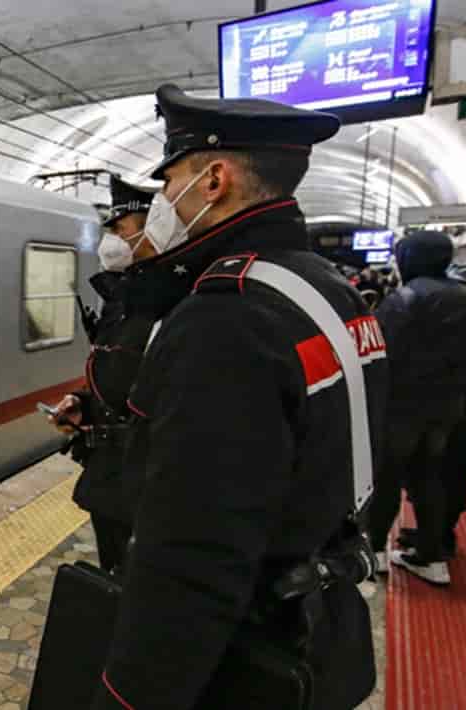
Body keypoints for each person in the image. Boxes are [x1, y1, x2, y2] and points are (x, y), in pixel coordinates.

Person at [91, 85, 385, 710]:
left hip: (243, 644)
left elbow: (192, 556)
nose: (164, 200)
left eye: (170, 182)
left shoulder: (226, 318)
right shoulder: (327, 288)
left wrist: (131, 696)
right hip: (319, 607)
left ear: (214, 180)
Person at [46, 174, 157, 574]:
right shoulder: (121, 298)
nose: (110, 239)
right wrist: (82, 402)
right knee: (116, 574)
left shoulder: (175, 303)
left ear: (155, 227)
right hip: (113, 478)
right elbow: (119, 373)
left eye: (120, 228)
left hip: (150, 484)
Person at [368, 232, 466, 585]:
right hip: (446, 405)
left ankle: (375, 551)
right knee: (429, 477)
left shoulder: (405, 298)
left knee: (386, 477)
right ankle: (431, 557)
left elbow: (381, 353)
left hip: (401, 404)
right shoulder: (465, 295)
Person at [394, 263, 466, 561]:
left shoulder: (464, 329)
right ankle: (436, 536)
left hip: (443, 411)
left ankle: (436, 542)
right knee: (445, 474)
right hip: (458, 411)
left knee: (434, 475)